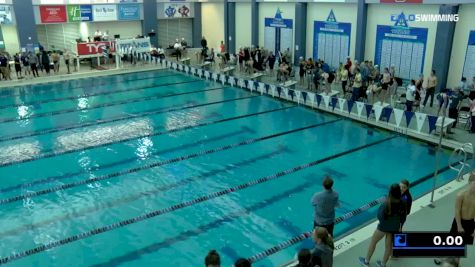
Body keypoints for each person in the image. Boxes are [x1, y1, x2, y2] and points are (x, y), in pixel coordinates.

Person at [359, 184, 406, 267]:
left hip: (383, 228)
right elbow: (403, 217)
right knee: (388, 247)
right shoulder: (402, 203)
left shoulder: (386, 204)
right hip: (394, 228)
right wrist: (399, 226)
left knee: (373, 242)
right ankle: (383, 264)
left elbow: (379, 216)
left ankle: (366, 261)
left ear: (390, 193)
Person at [435, 172, 475, 266]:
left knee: (463, 243)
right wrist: (459, 226)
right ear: (470, 182)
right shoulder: (460, 195)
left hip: (470, 223)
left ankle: (457, 262)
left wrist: (474, 230)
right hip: (459, 222)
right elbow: (457, 212)